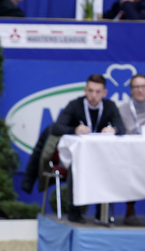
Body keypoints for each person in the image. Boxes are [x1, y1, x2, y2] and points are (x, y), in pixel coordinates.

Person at [50, 74, 125, 223]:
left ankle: (102, 213)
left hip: (102, 157)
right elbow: (56, 127)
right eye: (90, 91)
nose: (93, 95)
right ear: (85, 90)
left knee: (109, 169)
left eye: (98, 92)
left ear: (105, 93)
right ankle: (74, 211)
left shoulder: (110, 106)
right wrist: (75, 129)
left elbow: (122, 127)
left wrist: (114, 130)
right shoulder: (75, 105)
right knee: (75, 167)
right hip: (78, 156)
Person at [117, 73, 145, 225]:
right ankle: (130, 210)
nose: (140, 90)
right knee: (129, 167)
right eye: (136, 87)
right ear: (131, 90)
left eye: (143, 86)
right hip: (131, 155)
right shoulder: (124, 109)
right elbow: (123, 131)